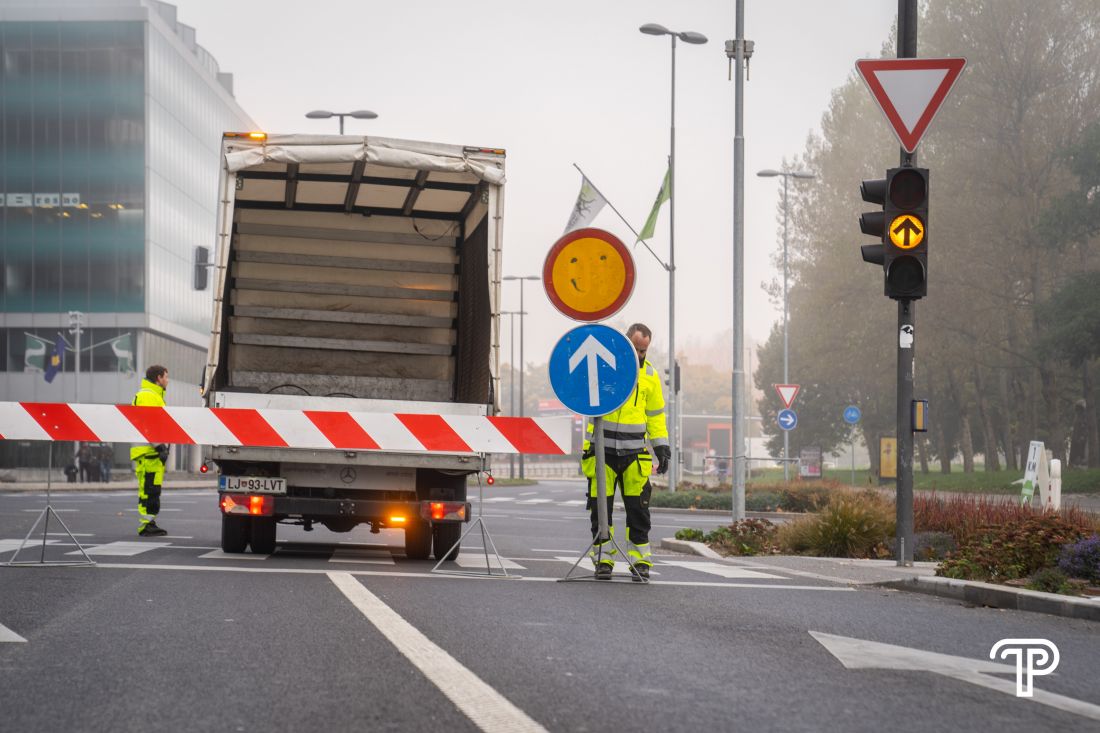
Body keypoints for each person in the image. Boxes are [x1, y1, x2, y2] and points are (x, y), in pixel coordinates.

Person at [580, 323, 670, 581]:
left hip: (635, 454)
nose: (640, 356)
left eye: (644, 351)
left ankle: (640, 562)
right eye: (636, 349)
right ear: (625, 343)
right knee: (601, 513)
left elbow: (655, 415)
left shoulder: (650, 376)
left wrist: (661, 447)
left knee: (638, 512)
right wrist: (588, 449)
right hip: (602, 452)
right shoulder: (605, 367)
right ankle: (603, 561)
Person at [131, 365, 171, 537]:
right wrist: (159, 446)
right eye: (166, 377)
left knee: (151, 489)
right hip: (148, 452)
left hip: (150, 452)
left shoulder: (153, 395)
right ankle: (146, 525)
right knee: (149, 490)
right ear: (158, 378)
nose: (167, 380)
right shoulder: (148, 395)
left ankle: (149, 522)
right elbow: (148, 424)